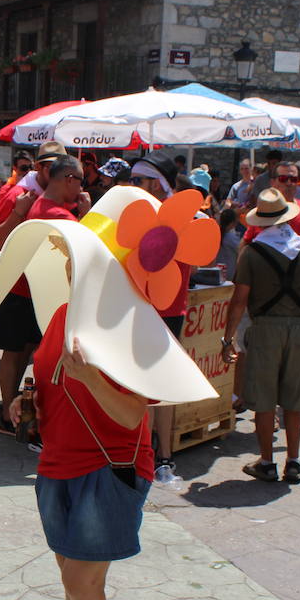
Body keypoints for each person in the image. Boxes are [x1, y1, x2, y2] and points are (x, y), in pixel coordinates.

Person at [14, 250, 153, 600]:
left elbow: (134, 413)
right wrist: (25, 399)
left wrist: (89, 375)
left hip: (107, 466)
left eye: (90, 259)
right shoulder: (61, 314)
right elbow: (50, 378)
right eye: (74, 258)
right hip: (57, 461)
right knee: (70, 572)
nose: (76, 267)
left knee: (82, 581)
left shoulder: (130, 322)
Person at [222, 189, 300, 484]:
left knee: (265, 399)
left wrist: (228, 338)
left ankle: (266, 461)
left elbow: (239, 301)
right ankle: (293, 460)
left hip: (265, 328)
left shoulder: (252, 252)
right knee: (295, 398)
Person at [0, 141, 79, 435]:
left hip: (33, 292)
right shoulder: (23, 198)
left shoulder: (43, 203)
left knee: (27, 353)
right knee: (16, 353)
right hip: (19, 288)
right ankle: (9, 413)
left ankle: (18, 412)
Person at [130, 153, 193, 484]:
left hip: (164, 312)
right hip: (151, 310)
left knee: (156, 387)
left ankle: (159, 456)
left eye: (137, 181)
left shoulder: (176, 217)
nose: (132, 186)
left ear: (155, 183)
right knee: (149, 387)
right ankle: (154, 455)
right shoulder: (166, 214)